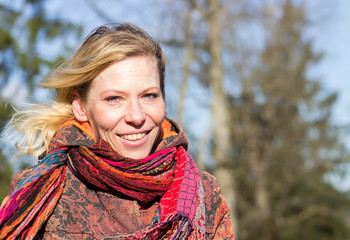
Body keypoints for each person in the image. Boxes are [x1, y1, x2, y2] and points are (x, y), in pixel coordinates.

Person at [0, 22, 234, 239]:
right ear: (80, 107)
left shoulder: (204, 192)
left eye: (149, 96)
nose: (136, 116)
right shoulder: (41, 191)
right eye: (114, 99)